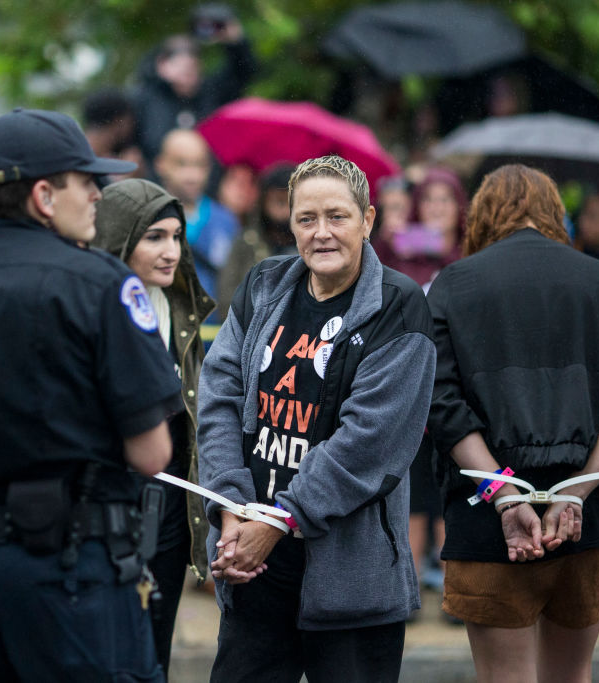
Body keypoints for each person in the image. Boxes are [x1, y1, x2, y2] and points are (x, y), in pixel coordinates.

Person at [0, 108, 182, 682]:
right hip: (73, 571)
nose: (97, 194)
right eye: (85, 181)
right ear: (44, 195)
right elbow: (151, 454)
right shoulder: (99, 283)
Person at [198, 155, 435, 682]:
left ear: (368, 220)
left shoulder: (399, 306)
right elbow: (218, 397)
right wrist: (232, 506)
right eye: (307, 219)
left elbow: (369, 444)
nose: (321, 233)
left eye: (337, 216)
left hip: (351, 575)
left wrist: (280, 520)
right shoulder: (263, 284)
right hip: (255, 565)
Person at [426, 164, 599, 683]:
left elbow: (441, 402)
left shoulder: (453, 284)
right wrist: (576, 493)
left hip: (488, 515)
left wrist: (505, 494)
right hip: (590, 516)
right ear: (555, 212)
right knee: (572, 674)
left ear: (484, 215)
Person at [92, 178, 215, 676]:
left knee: (154, 651)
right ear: (119, 239)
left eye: (177, 236)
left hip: (167, 507)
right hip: (106, 505)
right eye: (155, 237)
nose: (171, 251)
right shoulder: (92, 306)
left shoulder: (181, 305)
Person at [134, 5, 258, 166]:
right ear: (161, 65)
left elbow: (243, 73)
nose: (188, 66)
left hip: (208, 184)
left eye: (192, 65)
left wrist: (235, 42)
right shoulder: (144, 98)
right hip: (157, 184)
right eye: (179, 62)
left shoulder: (211, 92)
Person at [154, 128, 238, 303]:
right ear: (160, 164)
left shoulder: (226, 220)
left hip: (217, 326)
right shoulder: (148, 217)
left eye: (200, 165)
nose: (192, 175)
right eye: (181, 164)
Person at [217, 163, 296, 319]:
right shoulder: (247, 241)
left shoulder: (310, 243)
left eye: (290, 203)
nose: (284, 211)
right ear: (264, 201)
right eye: (278, 201)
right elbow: (227, 295)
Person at [372, 166, 465, 291]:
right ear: (417, 206)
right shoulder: (399, 248)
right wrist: (384, 243)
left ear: (459, 205)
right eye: (428, 199)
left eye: (445, 199)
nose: (437, 208)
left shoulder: (471, 250)